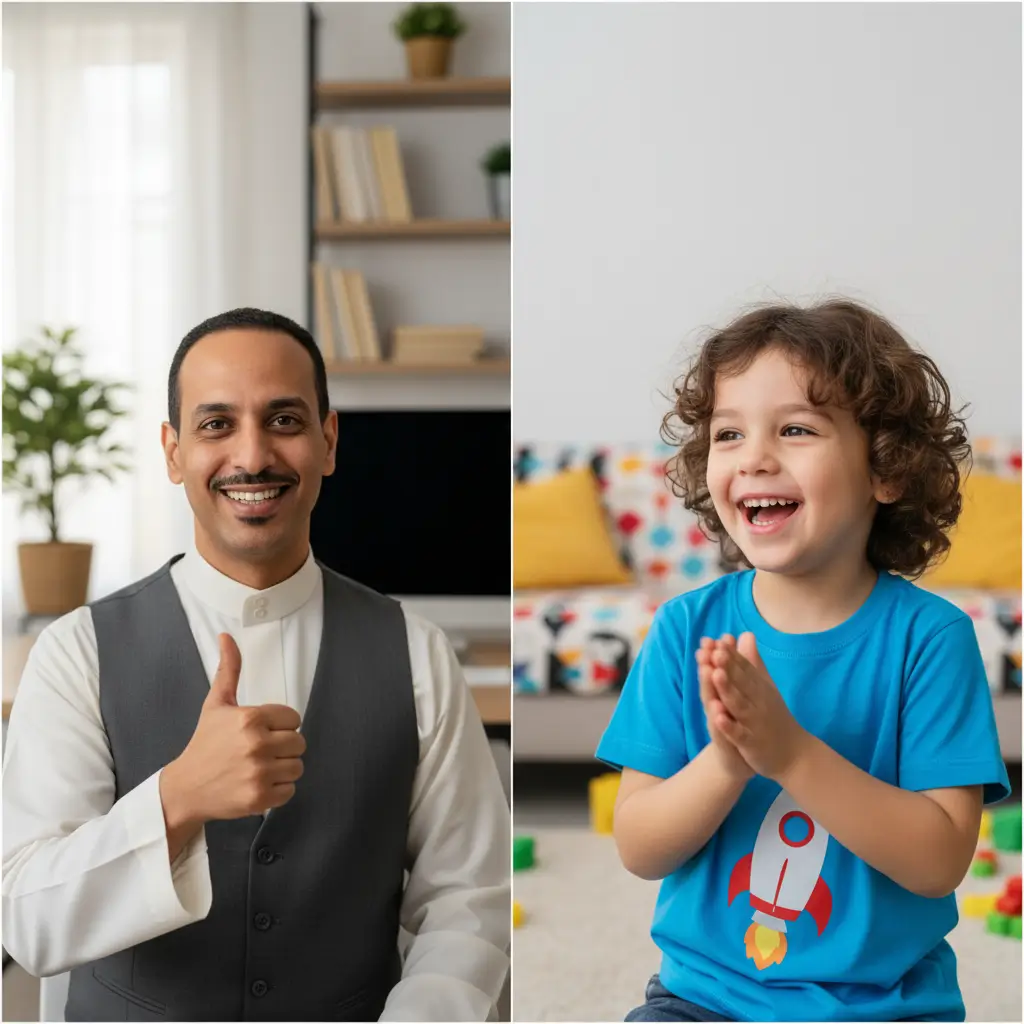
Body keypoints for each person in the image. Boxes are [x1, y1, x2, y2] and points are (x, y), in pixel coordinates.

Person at [2, 308, 510, 1022]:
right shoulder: (74, 652)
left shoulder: (418, 653)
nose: (252, 456)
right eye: (216, 425)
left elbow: (467, 903)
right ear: (173, 452)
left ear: (328, 441)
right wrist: (176, 799)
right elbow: (27, 922)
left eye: (284, 420)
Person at [596, 300, 1009, 1023]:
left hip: (885, 1008)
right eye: (729, 433)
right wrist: (729, 761)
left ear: (885, 469)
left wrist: (787, 753)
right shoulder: (684, 628)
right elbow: (639, 845)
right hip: (702, 1001)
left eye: (795, 429)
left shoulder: (931, 639)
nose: (755, 455)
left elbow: (941, 858)